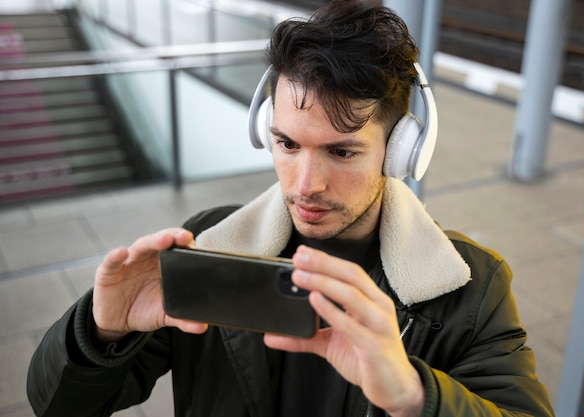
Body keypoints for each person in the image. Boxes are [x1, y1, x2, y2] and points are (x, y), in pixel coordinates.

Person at [27, 1, 555, 416]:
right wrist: (100, 335)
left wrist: (415, 397)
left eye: (341, 151)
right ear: (265, 131)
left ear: (401, 150)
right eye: (287, 144)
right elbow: (58, 405)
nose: (305, 184)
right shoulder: (209, 244)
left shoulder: (470, 289)